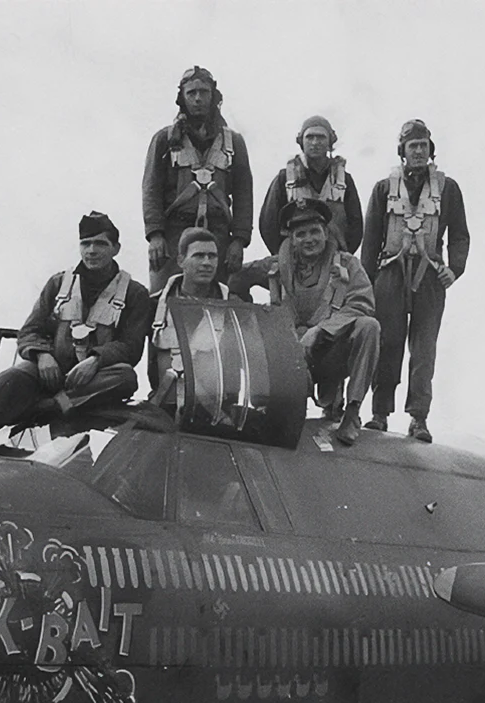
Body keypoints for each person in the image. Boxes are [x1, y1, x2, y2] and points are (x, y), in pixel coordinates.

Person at [0, 212, 150, 457]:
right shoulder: (59, 283)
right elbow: (30, 331)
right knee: (13, 376)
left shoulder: (135, 294)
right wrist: (42, 356)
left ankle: (48, 407)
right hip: (50, 372)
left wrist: (95, 360)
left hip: (93, 378)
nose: (92, 250)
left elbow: (131, 346)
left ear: (116, 248)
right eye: (86, 243)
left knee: (125, 377)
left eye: (100, 244)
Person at [230, 200, 379, 446]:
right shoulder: (277, 265)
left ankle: (352, 411)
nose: (308, 239)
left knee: (369, 326)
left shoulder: (348, 264)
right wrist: (255, 315)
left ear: (325, 233)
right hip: (292, 358)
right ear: (292, 238)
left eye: (314, 232)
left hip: (331, 352)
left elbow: (362, 303)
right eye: (300, 234)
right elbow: (236, 278)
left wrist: (320, 330)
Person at [360, 119, 470, 443]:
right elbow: (371, 239)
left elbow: (460, 235)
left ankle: (418, 418)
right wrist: (368, 283)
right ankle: (379, 414)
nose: (419, 151)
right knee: (388, 343)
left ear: (430, 149)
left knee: (424, 350)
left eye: (423, 145)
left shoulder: (448, 189)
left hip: (430, 278)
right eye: (413, 146)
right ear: (403, 151)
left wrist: (456, 268)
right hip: (390, 276)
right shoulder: (383, 189)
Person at [142, 66, 253, 293]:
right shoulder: (164, 140)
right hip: (174, 234)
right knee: (163, 298)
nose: (198, 98)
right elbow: (150, 189)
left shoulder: (234, 143)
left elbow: (244, 194)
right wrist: (155, 235)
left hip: (218, 235)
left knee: (218, 301)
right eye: (191, 93)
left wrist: (239, 240)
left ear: (213, 96)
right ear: (182, 98)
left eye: (204, 92)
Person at [259, 115, 363, 255]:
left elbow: (356, 224)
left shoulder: (344, 180)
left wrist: (344, 253)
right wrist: (283, 256)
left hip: (334, 256)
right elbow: (268, 223)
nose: (315, 142)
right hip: (294, 258)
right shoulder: (285, 178)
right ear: (301, 141)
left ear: (330, 142)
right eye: (309, 137)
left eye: (321, 137)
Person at [147, 227, 230, 397]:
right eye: (199, 256)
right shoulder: (154, 305)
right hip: (164, 402)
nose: (207, 263)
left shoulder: (232, 307)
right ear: (180, 261)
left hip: (215, 408)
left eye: (212, 256)